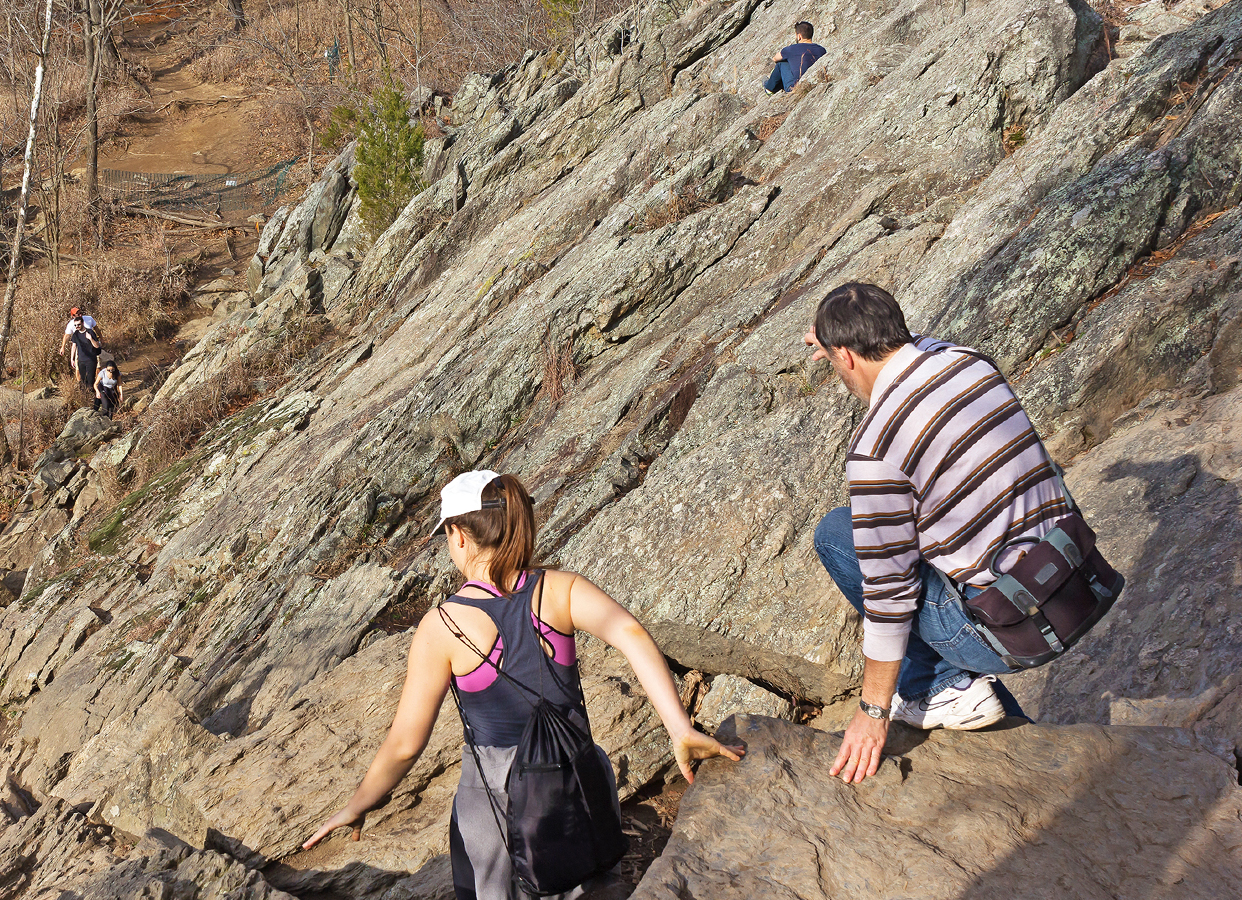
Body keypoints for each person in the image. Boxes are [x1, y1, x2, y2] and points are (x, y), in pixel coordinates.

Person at [304, 471, 743, 898]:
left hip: (496, 808)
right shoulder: (560, 588)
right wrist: (680, 729)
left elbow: (405, 745)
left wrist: (358, 805)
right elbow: (631, 634)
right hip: (576, 780)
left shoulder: (442, 626)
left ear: (458, 535)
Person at [804, 282, 1070, 784]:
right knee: (920, 527)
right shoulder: (969, 362)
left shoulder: (876, 447)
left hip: (1013, 626)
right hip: (1072, 580)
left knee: (837, 533)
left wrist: (873, 710)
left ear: (844, 354)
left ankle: (945, 684)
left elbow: (889, 592)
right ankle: (965, 694)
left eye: (833, 359)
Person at [763, 21, 826, 95]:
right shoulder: (822, 50)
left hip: (794, 87)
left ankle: (770, 88)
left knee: (781, 63)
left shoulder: (791, 49)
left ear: (799, 36)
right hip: (814, 82)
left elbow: (775, 59)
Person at [61, 306, 102, 376]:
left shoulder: (89, 319)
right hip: (80, 348)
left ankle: (96, 383)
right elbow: (67, 335)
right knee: (78, 368)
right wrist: (63, 346)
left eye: (80, 313)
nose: (80, 314)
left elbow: (96, 329)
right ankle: (81, 384)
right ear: (73, 316)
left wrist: (101, 338)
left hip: (92, 346)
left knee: (97, 366)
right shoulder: (71, 324)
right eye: (78, 314)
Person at [69, 317, 102, 389]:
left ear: (83, 323)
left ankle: (93, 395)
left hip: (91, 360)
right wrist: (72, 359)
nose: (77, 326)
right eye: (75, 325)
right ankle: (85, 397)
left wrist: (90, 338)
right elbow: (73, 346)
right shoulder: (76, 334)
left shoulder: (90, 332)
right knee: (83, 380)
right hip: (81, 360)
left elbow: (97, 346)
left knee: (90, 380)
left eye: (78, 324)